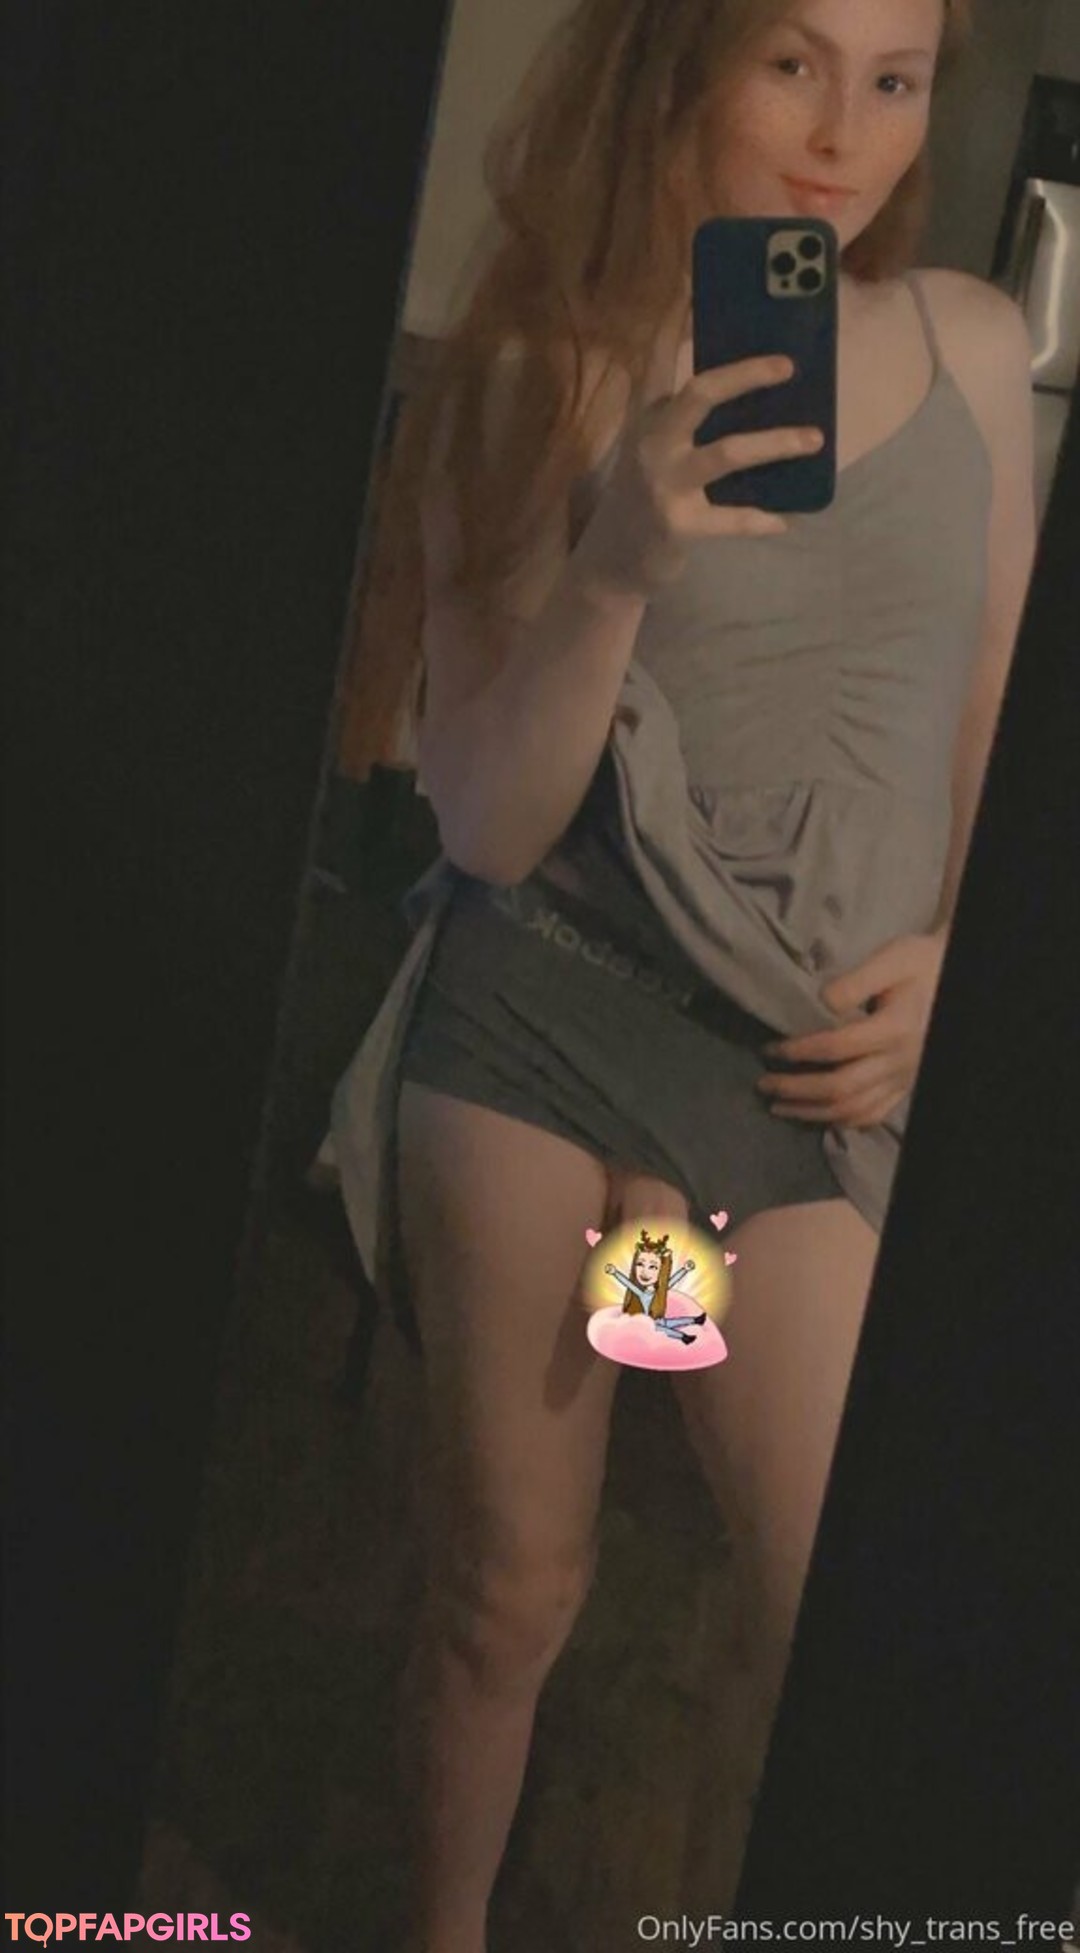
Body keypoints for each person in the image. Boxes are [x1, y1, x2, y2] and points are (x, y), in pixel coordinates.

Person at [326, 0, 1037, 1944]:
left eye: (896, 81)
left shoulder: (978, 349)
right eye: (790, 62)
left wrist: (961, 954)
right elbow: (487, 822)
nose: (845, 135)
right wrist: (618, 557)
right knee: (510, 1592)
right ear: (679, 62)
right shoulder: (540, 369)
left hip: (812, 1058)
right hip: (552, 1004)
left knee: (827, 1609)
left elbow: (988, 716)